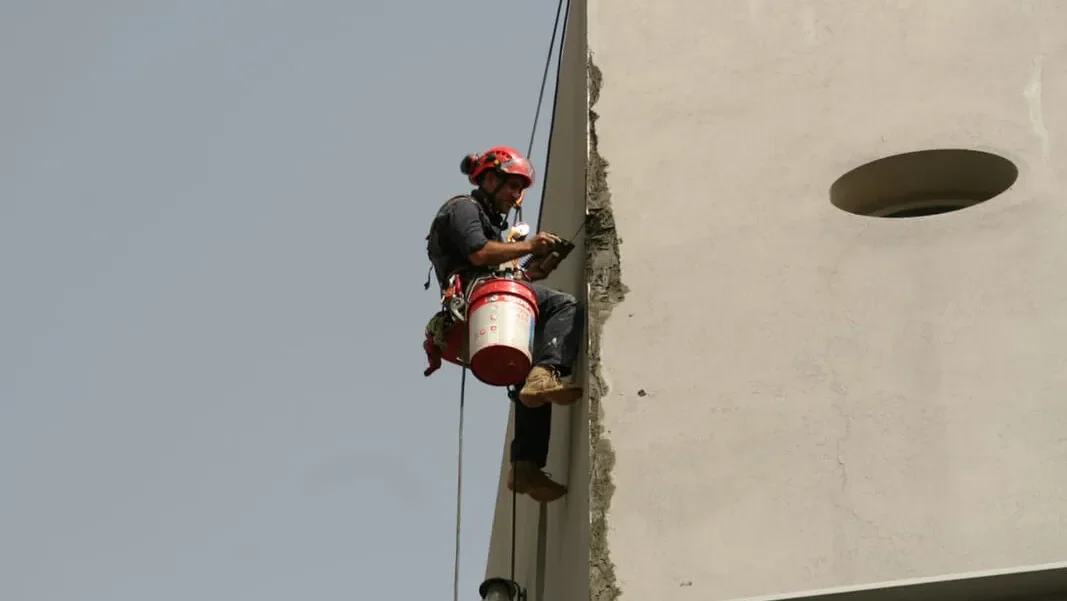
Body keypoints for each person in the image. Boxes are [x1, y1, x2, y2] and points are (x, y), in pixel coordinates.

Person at [425, 146, 583, 503]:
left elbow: (504, 269)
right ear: (490, 180)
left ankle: (525, 466)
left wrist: (536, 268)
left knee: (529, 378)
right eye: (512, 186)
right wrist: (530, 244)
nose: (517, 196)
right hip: (478, 295)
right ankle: (547, 374)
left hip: (490, 297)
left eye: (520, 188)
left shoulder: (493, 222)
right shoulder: (462, 208)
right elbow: (479, 254)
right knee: (562, 305)